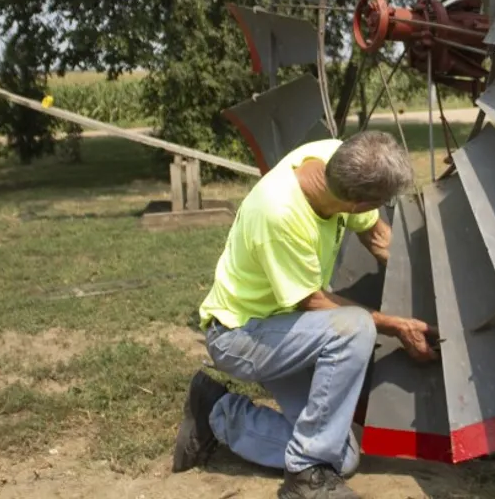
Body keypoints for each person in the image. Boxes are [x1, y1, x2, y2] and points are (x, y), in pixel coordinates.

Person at [171, 130, 439, 499]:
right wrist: (396, 326)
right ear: (358, 202)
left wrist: (427, 286)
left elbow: (377, 236)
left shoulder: (337, 159)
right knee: (354, 327)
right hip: (241, 336)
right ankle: (303, 479)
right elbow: (311, 302)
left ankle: (216, 411)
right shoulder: (279, 212)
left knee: (341, 459)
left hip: (288, 331)